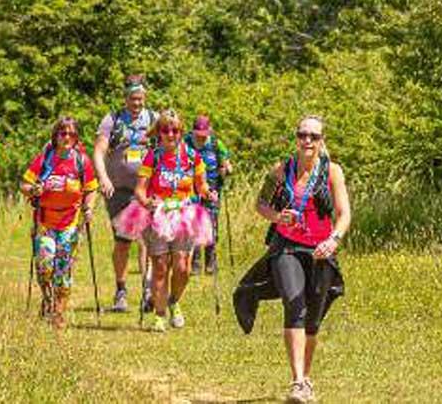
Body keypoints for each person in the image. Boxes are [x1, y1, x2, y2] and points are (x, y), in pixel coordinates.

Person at [232, 116, 351, 404]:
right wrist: (276, 216)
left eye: (313, 136)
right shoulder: (281, 169)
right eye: (302, 135)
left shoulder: (332, 172)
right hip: (286, 247)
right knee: (294, 303)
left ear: (321, 140)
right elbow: (260, 203)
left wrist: (333, 240)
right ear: (296, 138)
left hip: (320, 251)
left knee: (312, 318)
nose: (307, 141)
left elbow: (344, 213)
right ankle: (297, 381)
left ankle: (306, 379)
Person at [114, 109, 217, 332]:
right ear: (159, 133)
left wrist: (209, 193)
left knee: (182, 267)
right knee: (160, 267)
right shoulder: (154, 156)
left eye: (175, 130)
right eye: (165, 130)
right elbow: (140, 189)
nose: (171, 134)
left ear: (181, 132)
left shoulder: (192, 157)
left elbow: (201, 185)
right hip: (158, 214)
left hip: (184, 214)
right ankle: (159, 316)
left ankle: (174, 301)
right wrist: (146, 202)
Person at [21, 116, 98, 329]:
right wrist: (33, 190)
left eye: (71, 134)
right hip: (45, 221)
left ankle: (59, 312)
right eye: (62, 133)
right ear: (55, 136)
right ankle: (47, 299)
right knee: (45, 266)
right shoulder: (45, 159)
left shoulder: (81, 161)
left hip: (70, 224)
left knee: (63, 270)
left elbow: (91, 188)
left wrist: (89, 208)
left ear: (76, 138)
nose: (66, 137)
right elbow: (25, 184)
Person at [93, 74, 158, 313]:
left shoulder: (153, 119)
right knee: (123, 242)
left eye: (140, 99)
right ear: (126, 98)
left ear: (145, 98)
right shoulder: (112, 120)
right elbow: (99, 151)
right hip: (119, 191)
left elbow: (167, 146)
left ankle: (148, 289)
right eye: (133, 98)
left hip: (146, 190)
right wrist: (104, 178)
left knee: (148, 239)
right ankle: (121, 290)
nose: (136, 103)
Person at [185, 115, 232, 275]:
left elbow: (226, 163)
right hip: (190, 187)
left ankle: (211, 262)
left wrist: (226, 170)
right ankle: (196, 263)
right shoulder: (185, 142)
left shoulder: (216, 144)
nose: (201, 136)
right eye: (198, 133)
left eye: (204, 133)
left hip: (212, 187)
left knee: (211, 223)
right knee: (194, 224)